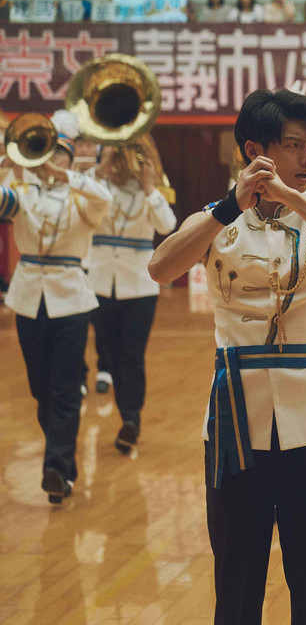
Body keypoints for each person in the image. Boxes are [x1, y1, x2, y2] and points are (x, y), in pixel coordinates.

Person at [147, 87, 306, 624]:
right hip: (235, 422)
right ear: (256, 148)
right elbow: (161, 269)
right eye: (294, 145)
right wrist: (232, 206)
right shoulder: (217, 218)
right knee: (236, 577)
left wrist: (297, 198)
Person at [2, 114, 111, 504]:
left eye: (61, 155)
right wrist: (6, 163)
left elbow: (105, 199)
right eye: (48, 155)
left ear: (68, 159)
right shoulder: (21, 191)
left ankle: (54, 467)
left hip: (71, 300)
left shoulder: (84, 194)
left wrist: (68, 177)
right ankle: (62, 466)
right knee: (40, 389)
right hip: (29, 296)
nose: (53, 162)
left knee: (65, 386)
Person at [87, 137, 177, 455]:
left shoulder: (148, 193)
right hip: (99, 282)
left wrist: (150, 186)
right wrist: (100, 170)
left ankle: (130, 420)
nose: (122, 165)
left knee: (131, 355)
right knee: (109, 354)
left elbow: (167, 225)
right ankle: (127, 414)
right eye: (117, 158)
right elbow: (78, 204)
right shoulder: (97, 187)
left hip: (139, 286)